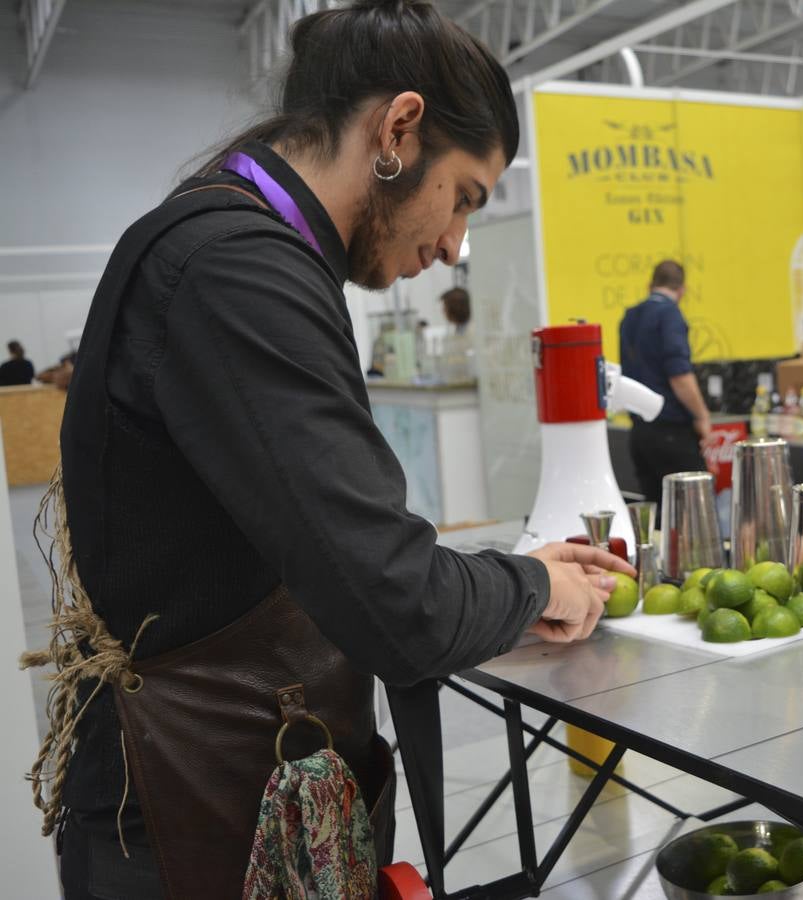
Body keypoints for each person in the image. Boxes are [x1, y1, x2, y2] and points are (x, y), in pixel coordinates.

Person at [28, 3, 634, 898]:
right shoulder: (238, 271)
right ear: (399, 128)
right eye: (463, 195)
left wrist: (501, 578)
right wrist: (537, 584)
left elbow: (339, 548)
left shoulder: (238, 248)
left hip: (213, 801)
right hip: (192, 826)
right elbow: (393, 599)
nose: (455, 243)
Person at [618, 260, 714, 503]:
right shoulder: (669, 314)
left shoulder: (629, 317)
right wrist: (702, 416)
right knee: (693, 514)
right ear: (681, 290)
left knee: (658, 517)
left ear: (649, 285)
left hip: (639, 434)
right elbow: (680, 376)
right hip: (671, 433)